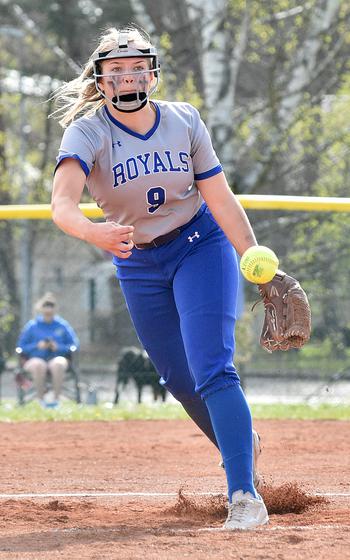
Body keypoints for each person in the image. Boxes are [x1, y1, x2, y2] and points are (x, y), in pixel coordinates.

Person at [50, 25, 269, 529]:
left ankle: (243, 494)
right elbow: (63, 206)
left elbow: (219, 197)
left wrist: (254, 258)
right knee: (177, 378)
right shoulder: (88, 131)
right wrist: (92, 232)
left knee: (213, 365)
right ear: (100, 81)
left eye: (136, 66)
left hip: (200, 246)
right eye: (115, 69)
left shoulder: (183, 119)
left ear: (152, 72)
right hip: (138, 261)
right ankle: (243, 443)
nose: (127, 76)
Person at [16, 293, 79, 407]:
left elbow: (74, 344)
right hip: (35, 359)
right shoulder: (32, 326)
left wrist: (58, 347)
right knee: (38, 365)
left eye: (51, 307)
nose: (48, 311)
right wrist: (37, 346)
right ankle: (41, 401)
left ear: (55, 309)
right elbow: (21, 346)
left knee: (57, 364)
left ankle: (56, 401)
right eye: (45, 307)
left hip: (57, 358)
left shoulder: (62, 325)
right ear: (41, 309)